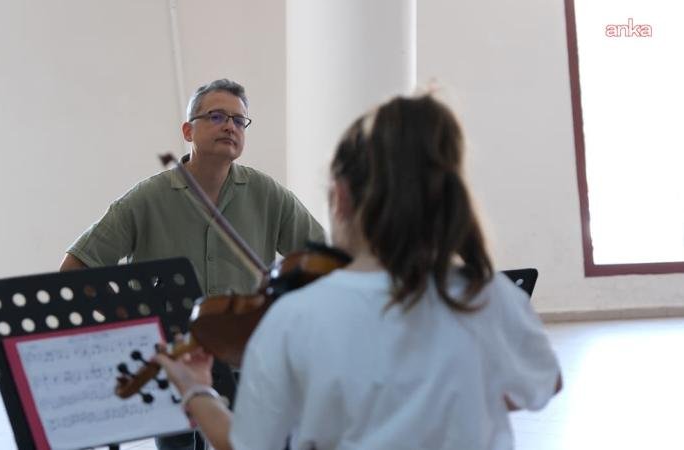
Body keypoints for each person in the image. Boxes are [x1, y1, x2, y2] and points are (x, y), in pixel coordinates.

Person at [154, 94, 563, 450]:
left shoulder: (295, 319)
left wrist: (195, 388)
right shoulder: (488, 295)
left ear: (342, 197)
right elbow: (543, 384)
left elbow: (246, 444)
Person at [60, 79, 325, 450]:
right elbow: (77, 268)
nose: (230, 126)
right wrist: (128, 315)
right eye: (216, 116)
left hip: (244, 354)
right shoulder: (148, 197)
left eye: (238, 120)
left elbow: (320, 258)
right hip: (176, 354)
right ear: (188, 130)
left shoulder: (268, 194)